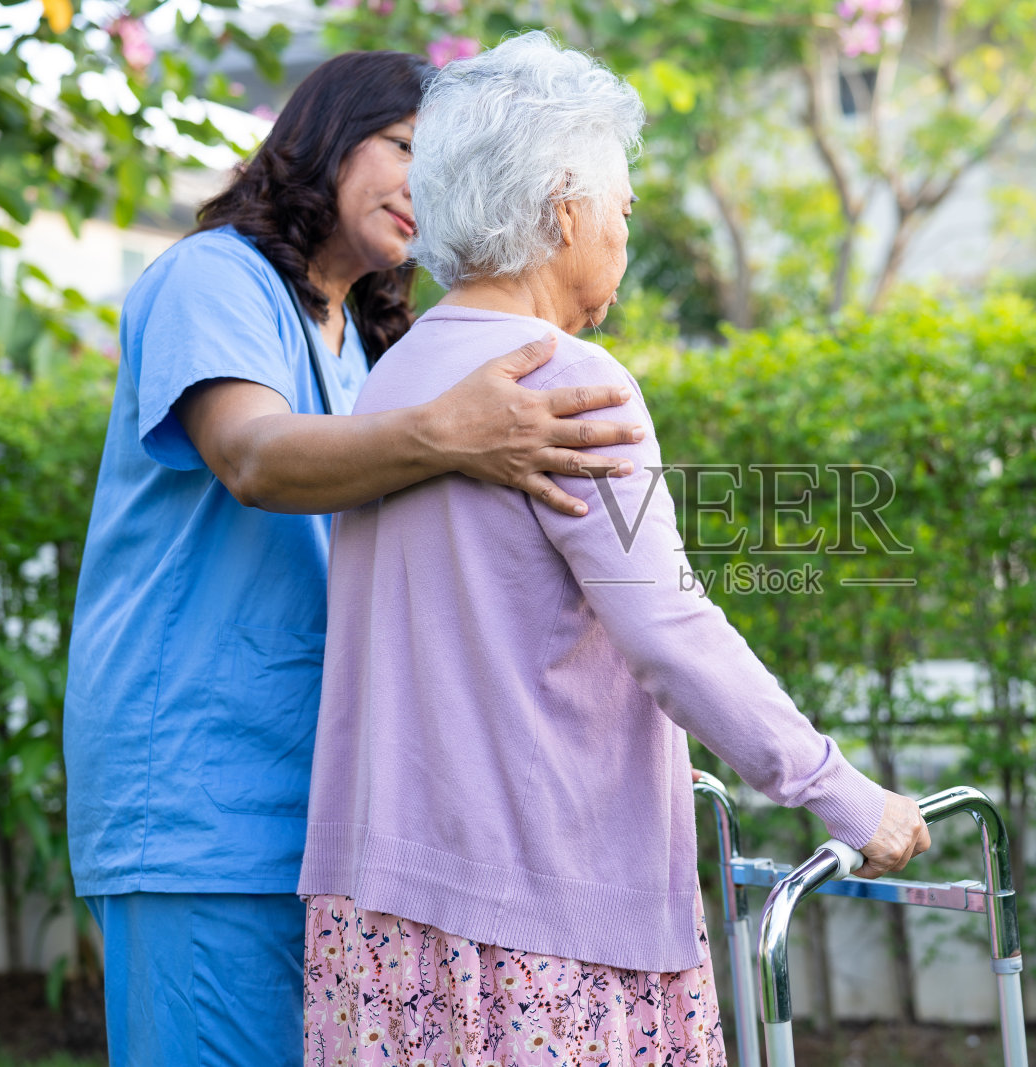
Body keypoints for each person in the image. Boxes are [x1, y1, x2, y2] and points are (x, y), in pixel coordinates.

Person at [297, 32, 931, 1066]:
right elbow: (666, 625)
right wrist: (837, 788)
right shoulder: (568, 378)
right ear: (563, 209)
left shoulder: (399, 378)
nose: (625, 233)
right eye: (623, 208)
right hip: (538, 917)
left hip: (381, 911)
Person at [63, 50, 646, 1067]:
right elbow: (251, 454)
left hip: (336, 812)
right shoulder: (212, 278)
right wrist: (451, 430)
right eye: (407, 150)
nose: (426, 189)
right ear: (325, 135)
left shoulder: (364, 339)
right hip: (204, 802)